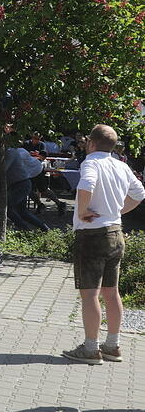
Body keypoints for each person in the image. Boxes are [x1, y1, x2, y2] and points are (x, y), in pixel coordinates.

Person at [61, 124, 144, 364]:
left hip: (93, 235)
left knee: (90, 295)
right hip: (116, 232)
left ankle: (90, 349)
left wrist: (84, 210)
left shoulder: (91, 163)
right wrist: (119, 210)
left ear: (92, 143)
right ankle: (113, 345)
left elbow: (86, 185)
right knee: (111, 292)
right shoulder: (121, 166)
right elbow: (139, 193)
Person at [4, 147, 50, 232]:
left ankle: (25, 229)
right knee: (22, 212)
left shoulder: (11, 151)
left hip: (21, 184)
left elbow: (3, 169)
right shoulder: (11, 152)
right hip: (20, 183)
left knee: (7, 207)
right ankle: (44, 229)